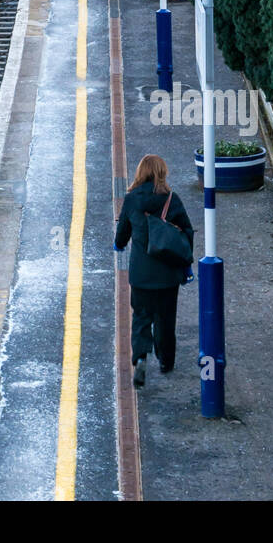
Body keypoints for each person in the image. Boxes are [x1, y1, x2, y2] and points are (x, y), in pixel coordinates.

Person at [114, 153, 194, 387]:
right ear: (162, 172)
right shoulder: (172, 199)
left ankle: (140, 357)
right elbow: (187, 233)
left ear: (141, 172)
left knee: (141, 316)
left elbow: (123, 231)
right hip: (168, 275)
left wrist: (119, 245)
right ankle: (166, 361)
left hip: (141, 274)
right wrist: (186, 265)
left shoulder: (131, 199)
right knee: (165, 319)